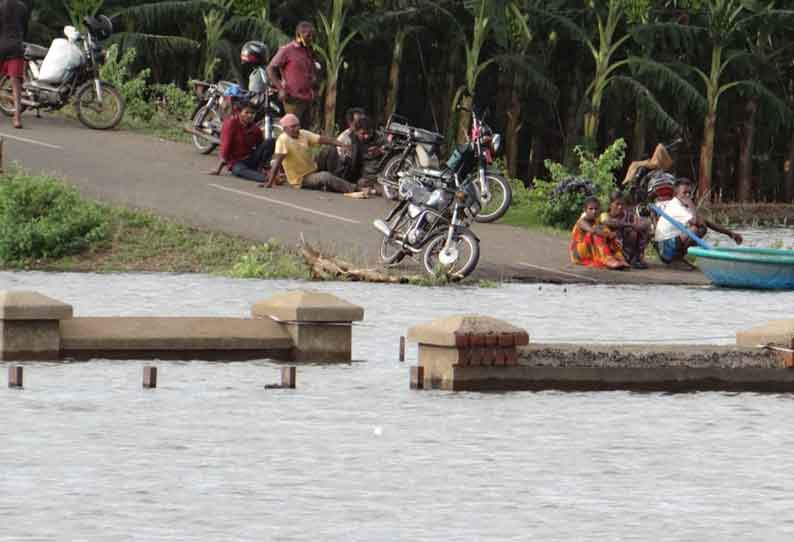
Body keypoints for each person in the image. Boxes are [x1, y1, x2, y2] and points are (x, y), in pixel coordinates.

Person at [263, 113, 366, 195]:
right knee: (325, 176)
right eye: (293, 127)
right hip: (301, 179)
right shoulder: (283, 140)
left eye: (298, 125)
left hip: (313, 169)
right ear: (285, 129)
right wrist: (270, 183)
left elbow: (323, 139)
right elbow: (277, 162)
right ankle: (355, 188)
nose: (297, 128)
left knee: (327, 152)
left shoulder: (303, 133)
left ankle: (336, 183)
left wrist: (341, 144)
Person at [653, 178, 743, 265]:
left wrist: (730, 233)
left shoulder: (681, 204)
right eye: (684, 193)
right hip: (664, 249)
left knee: (700, 227)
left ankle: (677, 258)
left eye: (689, 193)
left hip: (668, 245)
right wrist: (691, 204)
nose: (688, 195)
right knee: (696, 229)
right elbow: (696, 221)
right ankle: (676, 259)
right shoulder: (676, 207)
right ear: (676, 194)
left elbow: (705, 222)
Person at [267, 21, 319, 128]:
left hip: (307, 98)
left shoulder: (308, 51)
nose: (311, 38)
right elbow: (270, 68)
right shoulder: (287, 50)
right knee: (292, 129)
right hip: (292, 98)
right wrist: (281, 89)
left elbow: (311, 72)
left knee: (305, 132)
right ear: (299, 35)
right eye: (308, 35)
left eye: (312, 36)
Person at [211, 102, 275, 183]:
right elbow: (225, 146)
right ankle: (267, 178)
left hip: (251, 158)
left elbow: (261, 147)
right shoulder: (230, 124)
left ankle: (263, 170)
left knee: (270, 141)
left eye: (252, 113)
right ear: (239, 113)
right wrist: (218, 169)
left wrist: (268, 166)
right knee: (239, 170)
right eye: (247, 112)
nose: (250, 115)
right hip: (236, 162)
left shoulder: (255, 128)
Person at [569, 196, 629, 270]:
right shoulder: (581, 221)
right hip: (579, 253)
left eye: (596, 209)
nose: (594, 211)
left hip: (590, 250)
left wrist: (610, 234)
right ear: (585, 210)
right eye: (590, 209)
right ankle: (608, 259)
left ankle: (618, 258)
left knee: (605, 230)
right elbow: (592, 231)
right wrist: (607, 234)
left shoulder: (596, 220)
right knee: (598, 231)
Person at [598, 191, 650, 269]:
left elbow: (646, 222)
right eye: (617, 204)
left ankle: (636, 259)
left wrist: (640, 226)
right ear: (610, 205)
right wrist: (630, 225)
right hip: (613, 250)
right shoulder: (604, 215)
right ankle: (616, 259)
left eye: (622, 204)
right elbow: (608, 222)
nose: (620, 207)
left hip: (627, 248)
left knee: (640, 230)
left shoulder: (628, 215)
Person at [0, 0, 30, 129]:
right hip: (16, 47)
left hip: (1, 45)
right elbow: (25, 30)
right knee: (16, 85)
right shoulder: (22, 7)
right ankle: (17, 118)